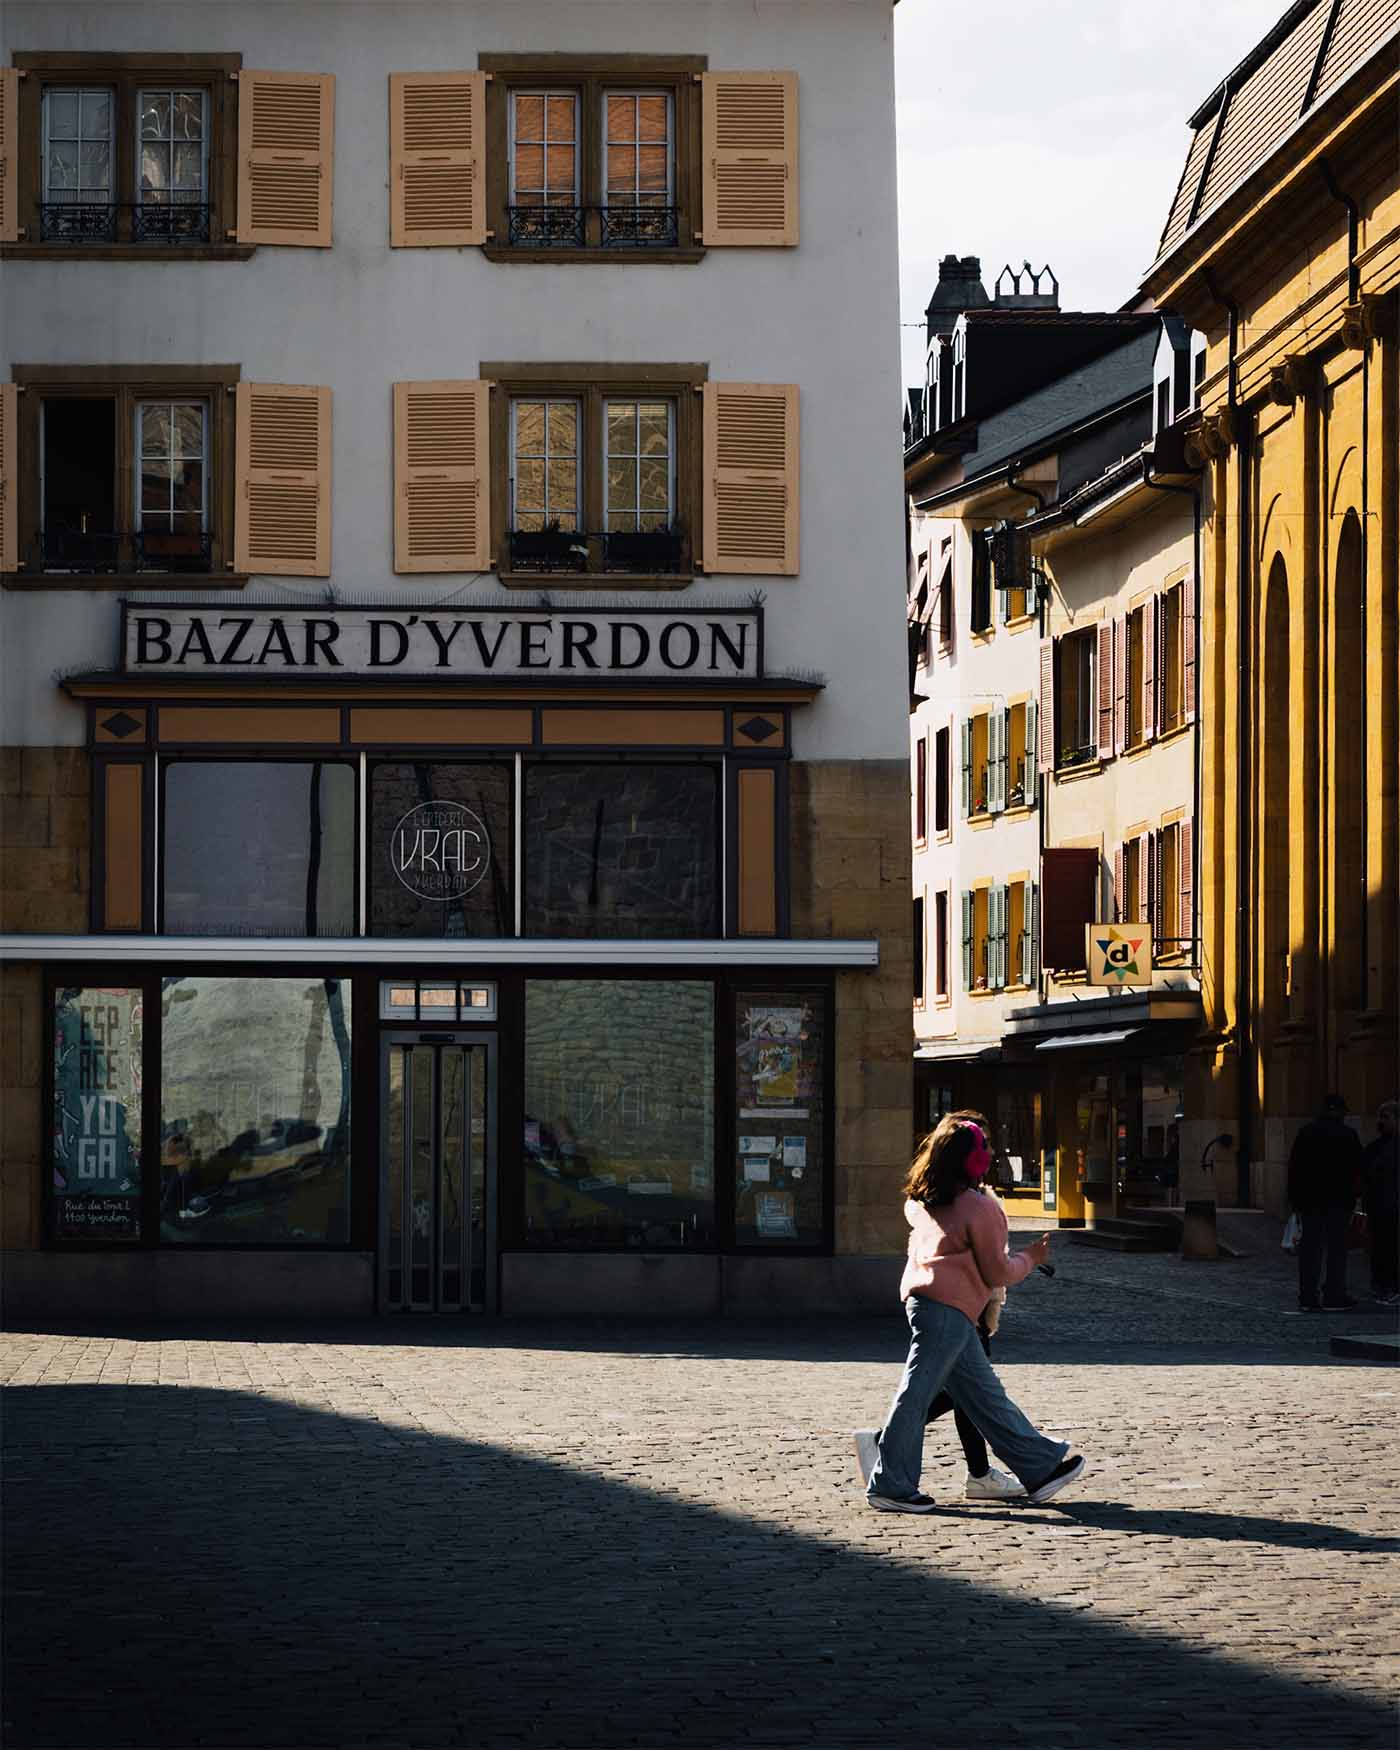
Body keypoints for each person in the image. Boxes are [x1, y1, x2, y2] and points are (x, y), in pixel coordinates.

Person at [861, 1114, 1086, 1513]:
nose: (991, 1153)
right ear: (972, 1161)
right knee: (917, 1394)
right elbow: (997, 1271)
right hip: (949, 1309)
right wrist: (1031, 1258)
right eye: (984, 1148)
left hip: (933, 1305)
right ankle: (891, 1483)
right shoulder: (979, 1208)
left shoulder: (924, 1197)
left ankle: (1040, 1467)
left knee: (984, 1396)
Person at [853, 1114, 1021, 1501]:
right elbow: (982, 1257)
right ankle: (897, 1446)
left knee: (963, 1388)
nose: (989, 1151)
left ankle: (977, 1473)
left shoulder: (944, 1193)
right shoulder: (953, 1198)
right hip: (962, 1301)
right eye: (982, 1144)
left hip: (961, 1299)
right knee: (967, 1390)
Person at [1287, 1093, 1363, 1312]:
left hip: (1310, 1202)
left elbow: (1295, 1169)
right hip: (1339, 1201)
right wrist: (1355, 1197)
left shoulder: (1306, 1133)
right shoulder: (1347, 1135)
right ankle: (1333, 1294)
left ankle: (1308, 1296)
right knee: (1337, 1249)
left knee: (1310, 1250)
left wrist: (1295, 1201)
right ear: (1339, 1112)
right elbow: (1358, 1170)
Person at [1361, 1101, 1398, 1305]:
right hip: (1380, 1207)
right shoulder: (1374, 1148)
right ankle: (1383, 1285)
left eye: (1386, 1117)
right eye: (1380, 1116)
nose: (1381, 1121)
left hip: (1389, 1205)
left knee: (1388, 1249)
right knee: (1380, 1249)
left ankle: (1389, 1286)